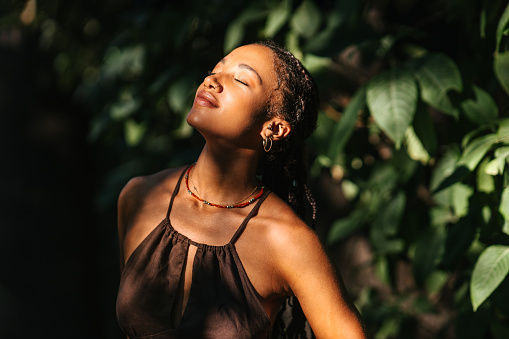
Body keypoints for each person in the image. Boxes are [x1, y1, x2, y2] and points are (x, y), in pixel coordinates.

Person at [116, 40, 366, 339]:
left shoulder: (286, 241)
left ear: (274, 128)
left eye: (240, 79)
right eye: (215, 69)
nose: (212, 80)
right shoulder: (140, 196)